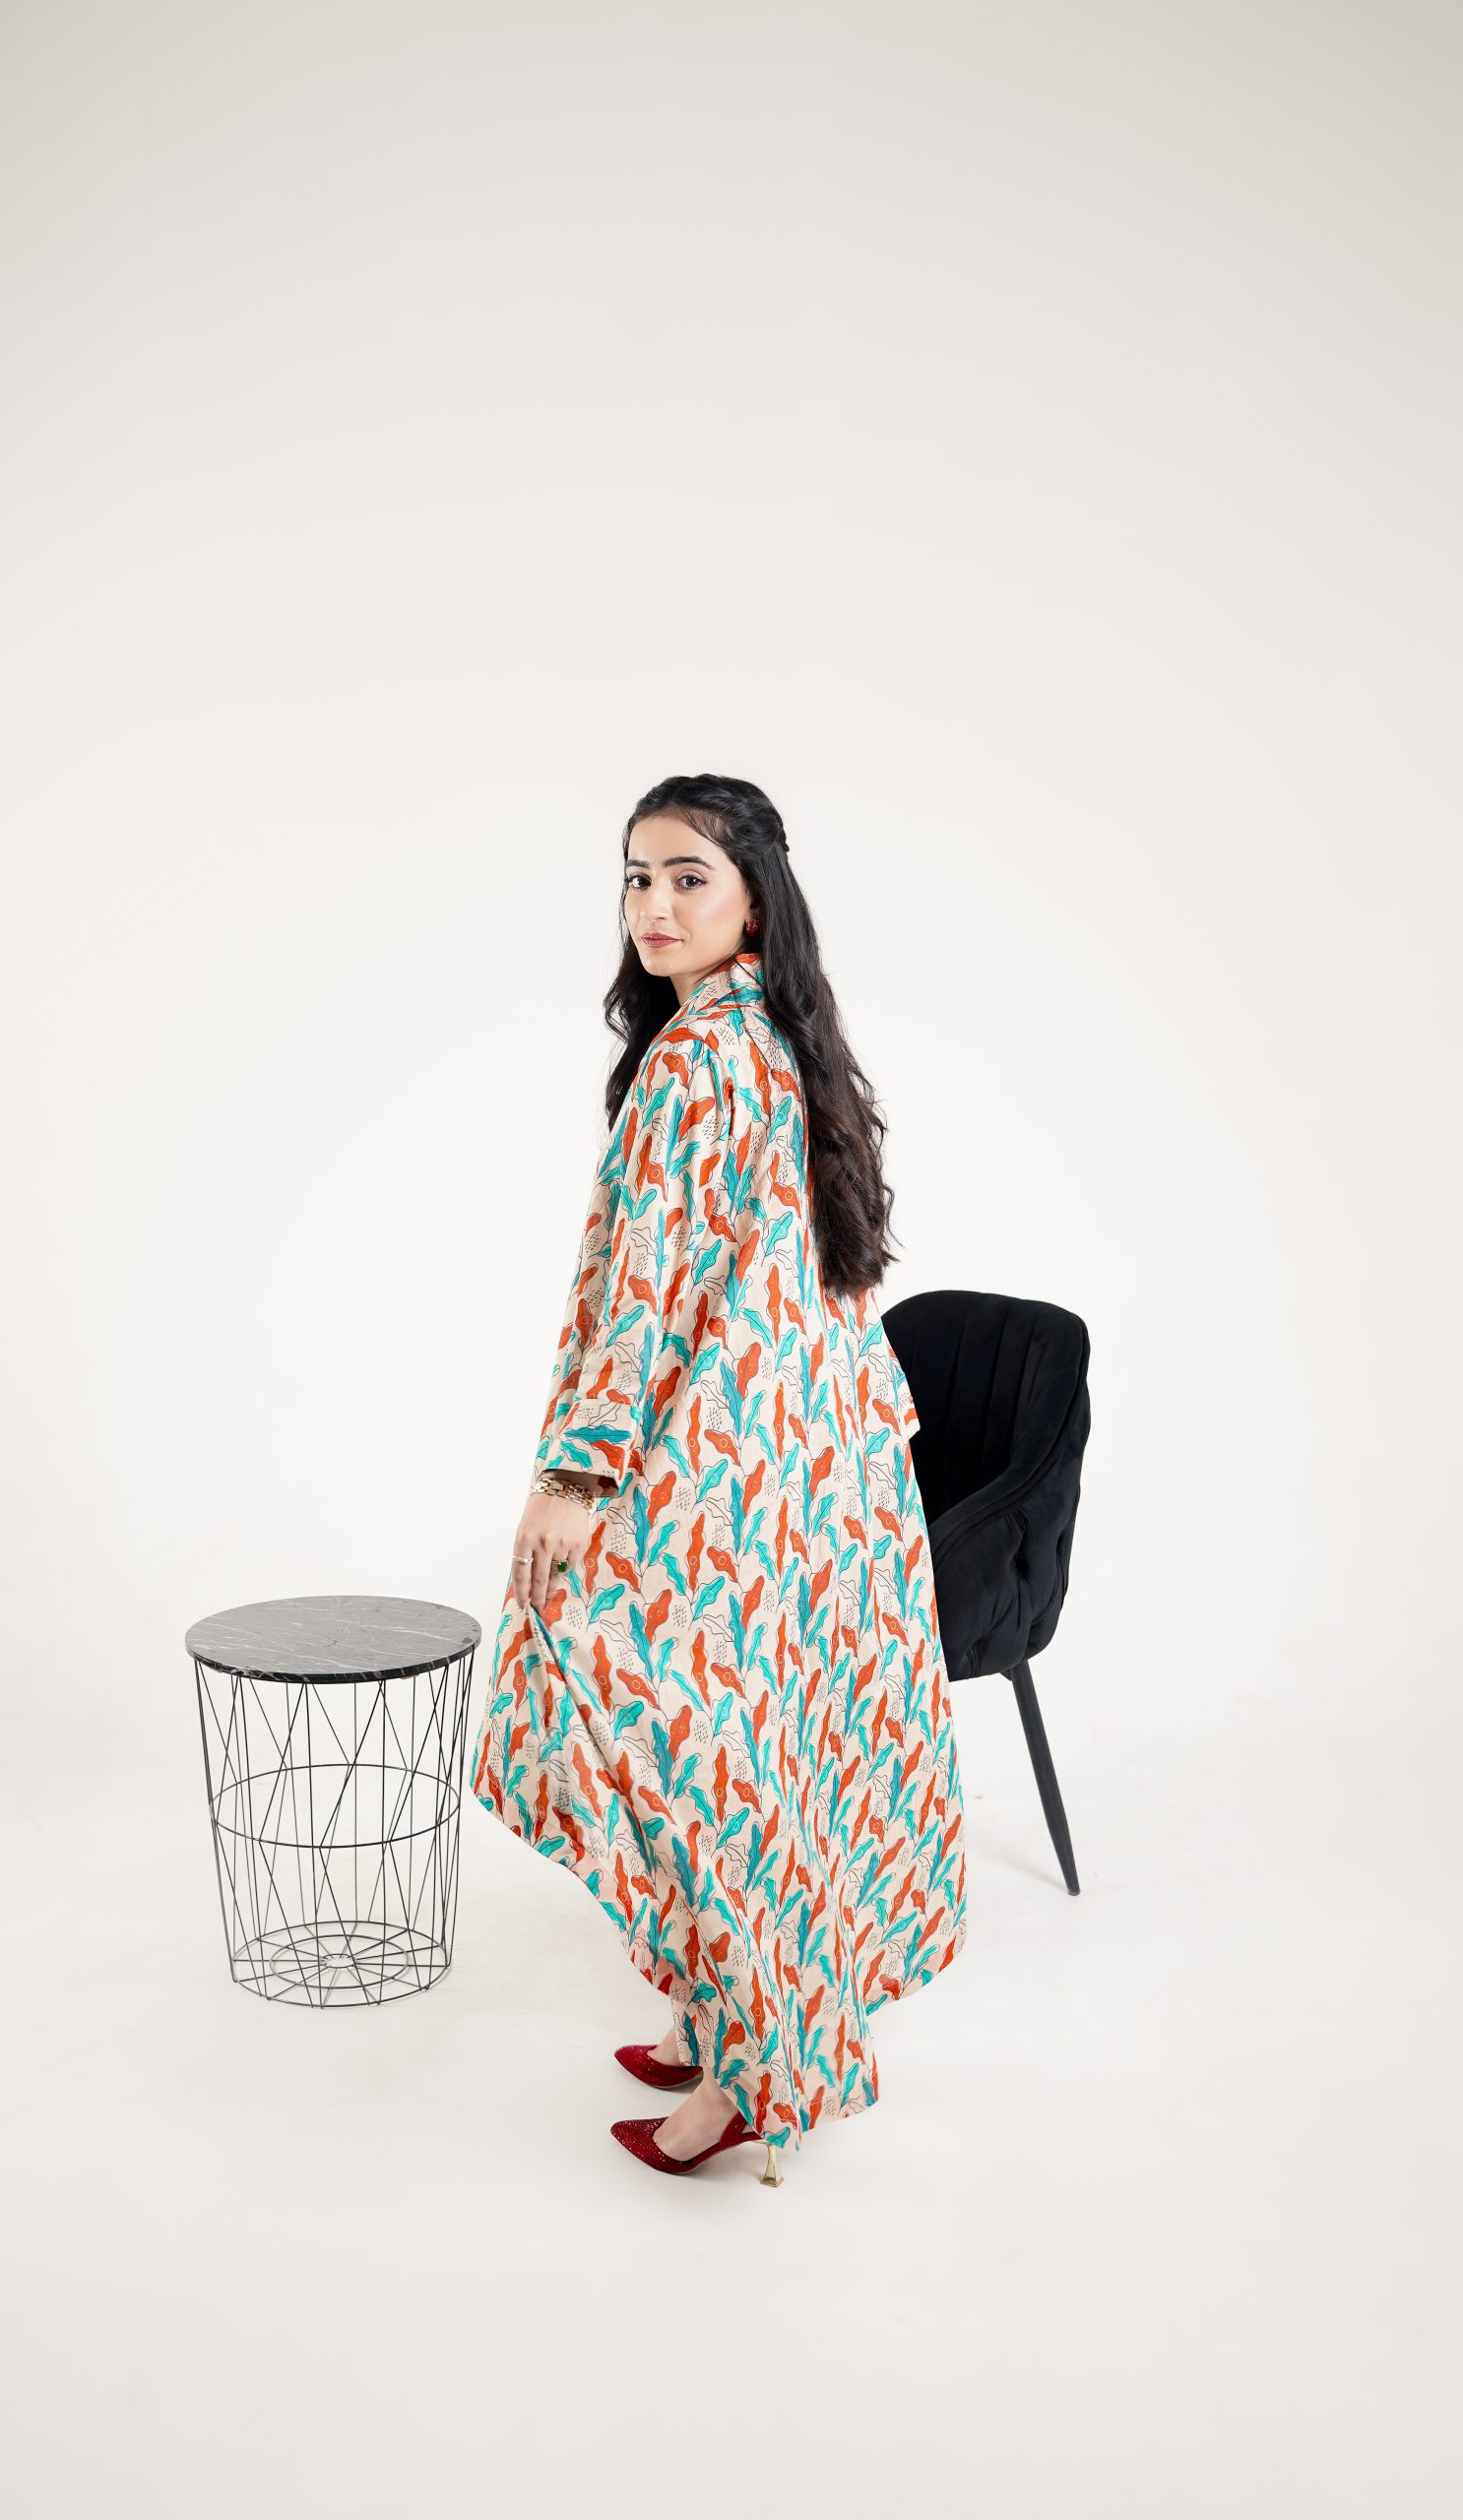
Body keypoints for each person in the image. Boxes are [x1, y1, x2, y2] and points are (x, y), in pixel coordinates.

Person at [468, 773, 968, 2185]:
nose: (655, 905)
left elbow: (645, 1295)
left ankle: (757, 2065)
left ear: (755, 895)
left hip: (742, 1461)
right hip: (819, 1464)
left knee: (670, 1721)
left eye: (689, 876)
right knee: (759, 1745)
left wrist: (576, 1477)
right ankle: (726, 2010)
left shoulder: (700, 1061)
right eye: (637, 878)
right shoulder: (774, 1037)